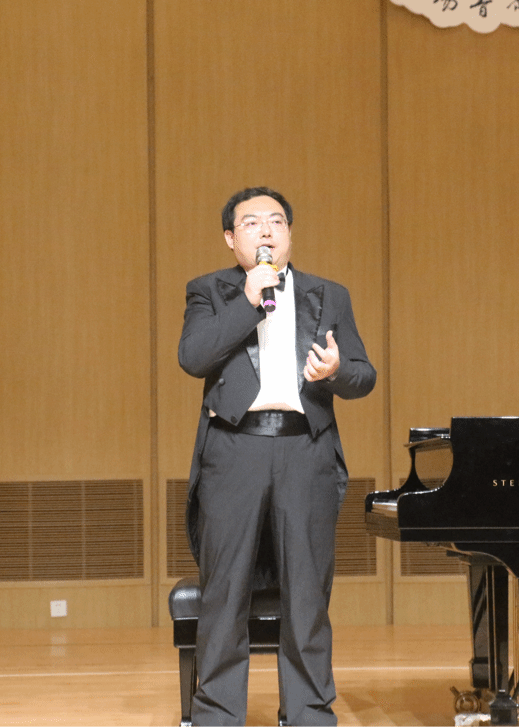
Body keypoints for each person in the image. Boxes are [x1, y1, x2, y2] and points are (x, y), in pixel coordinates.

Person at [178, 187, 377, 727]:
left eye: (276, 222)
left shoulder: (329, 294)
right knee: (225, 591)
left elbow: (364, 376)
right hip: (234, 449)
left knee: (308, 591)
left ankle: (310, 711)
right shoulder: (209, 291)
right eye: (252, 223)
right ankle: (218, 714)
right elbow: (193, 357)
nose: (266, 231)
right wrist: (248, 300)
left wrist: (336, 371)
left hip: (304, 449)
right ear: (230, 237)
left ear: (289, 233)